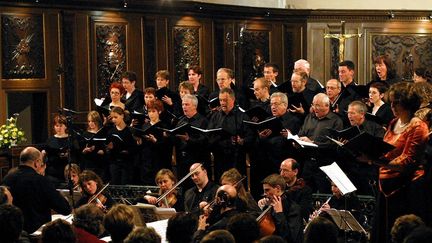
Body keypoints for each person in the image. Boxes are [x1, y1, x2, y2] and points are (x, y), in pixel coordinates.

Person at [371, 82, 429, 243]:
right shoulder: (393, 123)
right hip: (386, 188)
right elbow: (386, 150)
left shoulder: (418, 126)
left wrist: (376, 160)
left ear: (408, 103)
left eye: (397, 102)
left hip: (406, 189)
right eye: (391, 101)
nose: (392, 105)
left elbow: (408, 161)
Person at [2, 146, 72, 233]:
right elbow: (65, 209)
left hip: (12, 232)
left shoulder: (8, 177)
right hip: (37, 234)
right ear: (37, 162)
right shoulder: (40, 180)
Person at [298, 93, 343, 192]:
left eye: (318, 105)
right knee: (304, 192)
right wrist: (297, 141)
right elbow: (301, 133)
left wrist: (313, 142)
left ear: (327, 106)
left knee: (324, 192)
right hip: (308, 163)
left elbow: (334, 144)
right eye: (313, 104)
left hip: (325, 164)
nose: (314, 108)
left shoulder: (336, 121)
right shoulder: (309, 117)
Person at [207, 88, 255, 180]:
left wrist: (242, 141)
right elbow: (209, 134)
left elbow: (250, 136)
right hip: (219, 158)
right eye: (220, 100)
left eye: (225, 100)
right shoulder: (215, 116)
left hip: (236, 158)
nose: (222, 103)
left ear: (233, 100)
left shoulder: (242, 116)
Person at [346, 100, 386, 195]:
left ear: (362, 114)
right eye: (348, 113)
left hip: (370, 171)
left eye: (352, 113)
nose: (349, 116)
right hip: (353, 170)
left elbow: (381, 149)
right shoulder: (348, 130)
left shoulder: (376, 129)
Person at [172, 94, 210, 189]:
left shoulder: (203, 121)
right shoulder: (180, 121)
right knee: (184, 187)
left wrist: (189, 139)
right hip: (182, 160)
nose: (184, 107)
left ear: (194, 106)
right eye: (183, 104)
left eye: (187, 104)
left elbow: (205, 141)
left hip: (197, 158)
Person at [257, 174, 303, 243]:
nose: (264, 194)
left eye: (267, 190)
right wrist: (261, 208)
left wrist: (279, 213)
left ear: (278, 189)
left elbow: (291, 238)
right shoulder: (270, 205)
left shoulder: (294, 208)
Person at [106, 107, 138, 184]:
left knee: (125, 185)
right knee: (115, 185)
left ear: (122, 116)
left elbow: (134, 149)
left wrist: (126, 150)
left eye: (116, 117)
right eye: (112, 118)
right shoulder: (111, 131)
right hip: (114, 163)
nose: (113, 120)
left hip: (127, 164)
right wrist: (109, 148)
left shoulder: (130, 131)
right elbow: (107, 149)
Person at [45, 114, 71, 186]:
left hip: (67, 171)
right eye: (56, 126)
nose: (58, 128)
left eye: (60, 126)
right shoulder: (50, 140)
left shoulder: (70, 139)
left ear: (65, 126)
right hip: (53, 173)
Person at [79, 111, 107, 178]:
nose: (91, 123)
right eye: (89, 121)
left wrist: (103, 151)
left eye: (93, 121)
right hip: (89, 163)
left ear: (98, 121)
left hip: (100, 163)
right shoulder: (85, 134)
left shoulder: (103, 133)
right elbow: (80, 150)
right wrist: (84, 150)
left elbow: (106, 148)